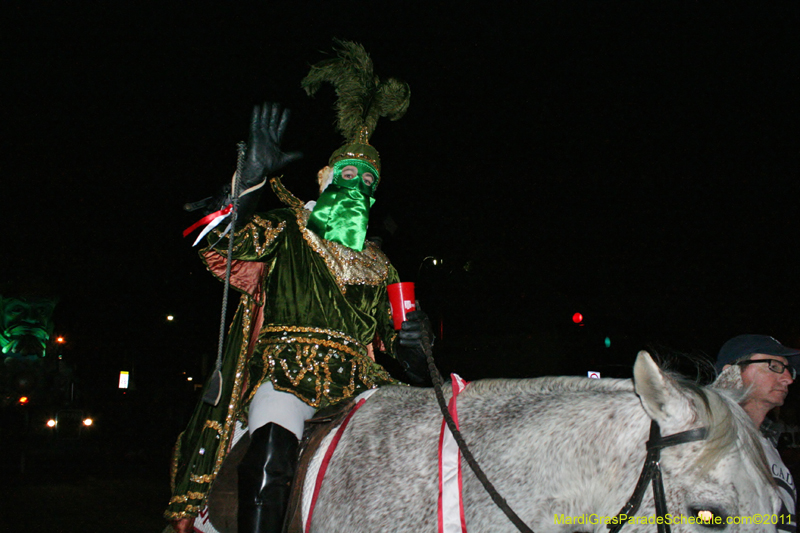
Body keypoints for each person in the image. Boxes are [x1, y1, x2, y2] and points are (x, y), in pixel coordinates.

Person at [165, 42, 430, 533]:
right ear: (326, 179)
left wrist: (416, 345)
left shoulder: (382, 265)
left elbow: (397, 344)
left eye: (368, 180)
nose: (358, 184)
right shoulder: (287, 227)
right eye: (348, 173)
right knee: (274, 431)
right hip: (289, 371)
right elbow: (212, 245)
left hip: (362, 383)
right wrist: (246, 183)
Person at [714, 334, 798, 532]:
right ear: (731, 372)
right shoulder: (707, 441)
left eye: (789, 370)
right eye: (774, 366)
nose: (788, 379)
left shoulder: (770, 446)